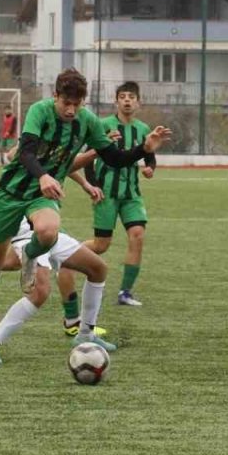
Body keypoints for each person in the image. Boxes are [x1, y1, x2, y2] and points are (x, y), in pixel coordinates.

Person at [0, 68, 170, 360]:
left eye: (77, 104)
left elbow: (112, 158)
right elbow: (24, 153)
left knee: (97, 268)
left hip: (41, 206)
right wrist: (43, 176)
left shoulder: (86, 121)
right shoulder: (39, 111)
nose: (71, 109)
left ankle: (86, 336)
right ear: (55, 97)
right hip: (14, 202)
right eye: (66, 102)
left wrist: (143, 149)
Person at [0, 179, 108, 357]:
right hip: (27, 232)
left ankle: (85, 334)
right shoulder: (30, 158)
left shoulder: (62, 155)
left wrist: (86, 184)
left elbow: (75, 161)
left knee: (98, 268)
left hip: (51, 231)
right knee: (39, 291)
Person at [79, 81, 156, 307]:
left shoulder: (143, 129)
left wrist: (151, 166)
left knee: (137, 235)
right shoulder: (103, 125)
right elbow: (88, 157)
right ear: (116, 101)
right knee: (102, 245)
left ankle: (125, 292)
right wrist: (93, 185)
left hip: (132, 194)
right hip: (107, 194)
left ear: (138, 102)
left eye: (131, 96)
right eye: (123, 96)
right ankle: (64, 256)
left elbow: (149, 154)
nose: (127, 100)